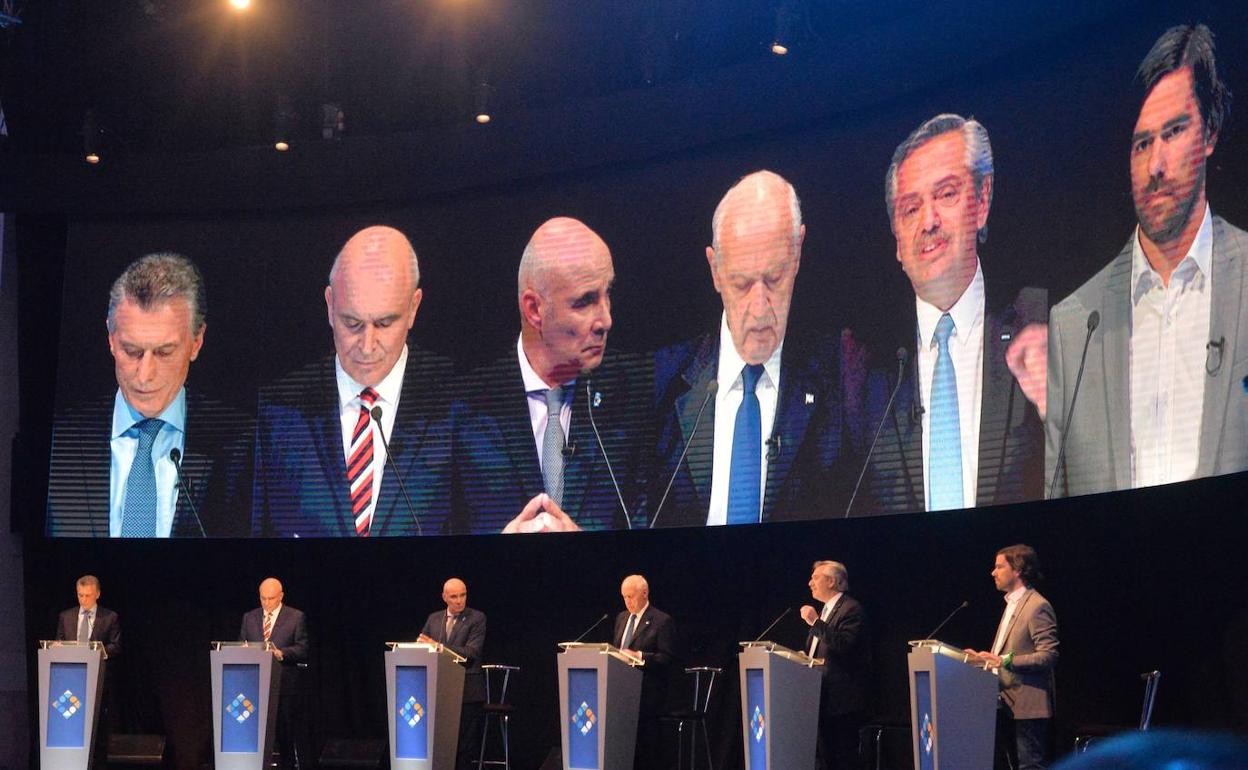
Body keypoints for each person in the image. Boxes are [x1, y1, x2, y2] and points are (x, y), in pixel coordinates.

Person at [1047, 24, 1248, 497]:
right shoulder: (1074, 326)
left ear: (1210, 134)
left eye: (1174, 132)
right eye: (1141, 143)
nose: (1155, 166)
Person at [858, 114, 1045, 514]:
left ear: (982, 202)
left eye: (946, 194)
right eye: (911, 209)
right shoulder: (867, 370)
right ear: (897, 241)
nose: (929, 222)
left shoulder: (1040, 322)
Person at [649, 170, 858, 526]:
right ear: (715, 270)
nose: (760, 309)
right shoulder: (663, 381)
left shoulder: (842, 378)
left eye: (774, 279)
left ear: (797, 252)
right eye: (742, 284)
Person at [252, 225, 454, 536]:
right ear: (330, 305)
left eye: (384, 323)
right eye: (352, 323)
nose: (367, 345)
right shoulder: (277, 413)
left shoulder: (456, 402)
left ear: (413, 308)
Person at [452, 217, 649, 534]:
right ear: (534, 309)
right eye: (585, 301)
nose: (606, 320)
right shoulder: (462, 407)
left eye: (607, 294)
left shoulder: (638, 393)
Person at [46, 252, 253, 537]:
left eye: (164, 352)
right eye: (132, 351)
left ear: (196, 342)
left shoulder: (243, 445)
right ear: (111, 339)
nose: (144, 376)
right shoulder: (58, 442)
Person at [965, 545, 1058, 770]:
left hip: (1028, 705)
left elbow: (1048, 655)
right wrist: (986, 660)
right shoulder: (1012, 604)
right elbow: (1005, 654)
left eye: (999, 567)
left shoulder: (1037, 606)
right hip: (1006, 702)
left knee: (1030, 766)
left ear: (1017, 570)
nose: (993, 572)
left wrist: (1004, 660)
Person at [800, 561, 868, 770]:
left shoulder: (851, 608)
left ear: (831, 581)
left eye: (815, 578)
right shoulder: (826, 611)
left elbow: (844, 645)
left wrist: (815, 622)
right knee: (824, 761)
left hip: (840, 703)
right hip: (819, 697)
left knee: (842, 760)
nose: (810, 583)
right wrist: (803, 659)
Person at [240, 578, 310, 770]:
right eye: (263, 598)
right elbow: (242, 644)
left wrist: (281, 653)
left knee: (284, 730)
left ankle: (288, 764)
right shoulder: (249, 617)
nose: (266, 603)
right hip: (254, 685)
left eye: (270, 598)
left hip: (283, 685)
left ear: (281, 596)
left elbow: (303, 649)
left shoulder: (296, 617)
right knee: (255, 731)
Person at [418, 578, 486, 770]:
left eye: (463, 595)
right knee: (440, 744)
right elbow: (423, 644)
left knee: (464, 746)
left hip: (467, 690)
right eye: (454, 596)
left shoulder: (476, 618)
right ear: (444, 597)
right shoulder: (434, 619)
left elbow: (471, 652)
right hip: (439, 690)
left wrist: (439, 647)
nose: (459, 601)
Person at [613, 575, 676, 770]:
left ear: (645, 593)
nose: (627, 601)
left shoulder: (661, 621)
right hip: (620, 693)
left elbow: (667, 658)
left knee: (645, 752)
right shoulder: (621, 618)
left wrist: (639, 656)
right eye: (624, 597)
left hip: (647, 694)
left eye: (631, 596)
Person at [55, 575, 122, 657]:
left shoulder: (110, 617)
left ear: (98, 594)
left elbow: (115, 646)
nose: (84, 600)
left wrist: (97, 651)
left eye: (88, 596)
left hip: (97, 663)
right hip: (70, 662)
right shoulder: (65, 617)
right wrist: (58, 646)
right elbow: (59, 642)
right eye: (81, 595)